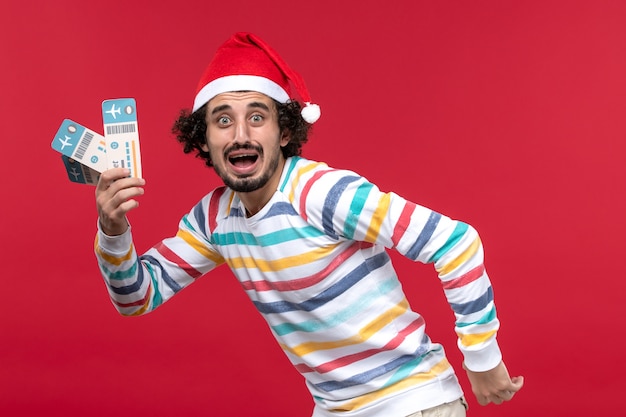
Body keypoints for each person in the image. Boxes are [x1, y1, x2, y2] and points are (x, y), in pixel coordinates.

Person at [94, 32, 523, 417]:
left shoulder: (320, 193)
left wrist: (482, 358)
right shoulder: (214, 219)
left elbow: (456, 243)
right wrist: (113, 229)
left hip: (413, 401)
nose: (241, 134)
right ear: (203, 139)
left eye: (257, 117)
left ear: (283, 132)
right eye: (223, 120)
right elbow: (137, 298)